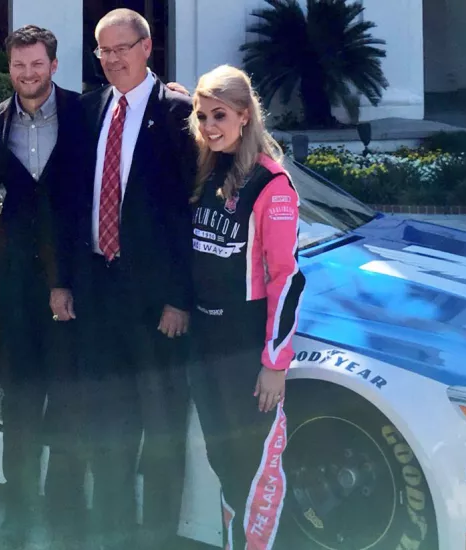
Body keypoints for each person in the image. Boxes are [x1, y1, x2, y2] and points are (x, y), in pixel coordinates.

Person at [68, 8, 196, 549]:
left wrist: (179, 298)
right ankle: (113, 529)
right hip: (99, 291)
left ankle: (159, 535)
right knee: (108, 423)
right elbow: (75, 200)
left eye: (123, 47)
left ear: (147, 47)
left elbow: (194, 214)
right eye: (104, 50)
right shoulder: (87, 108)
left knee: (162, 426)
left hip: (157, 302)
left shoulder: (180, 114)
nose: (113, 59)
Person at [187, 64, 306, 550]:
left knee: (252, 469)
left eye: (219, 115)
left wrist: (274, 364)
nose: (209, 125)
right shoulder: (204, 169)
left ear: (243, 115)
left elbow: (287, 279)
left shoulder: (271, 184)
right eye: (201, 115)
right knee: (222, 460)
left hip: (243, 346)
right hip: (203, 342)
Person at [0, 24, 87, 549]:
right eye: (19, 65)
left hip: (74, 284)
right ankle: (17, 512)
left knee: (70, 400)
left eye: (37, 63)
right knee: (19, 402)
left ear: (53, 64)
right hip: (15, 287)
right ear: (11, 69)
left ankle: (66, 511)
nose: (28, 73)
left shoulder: (86, 115)